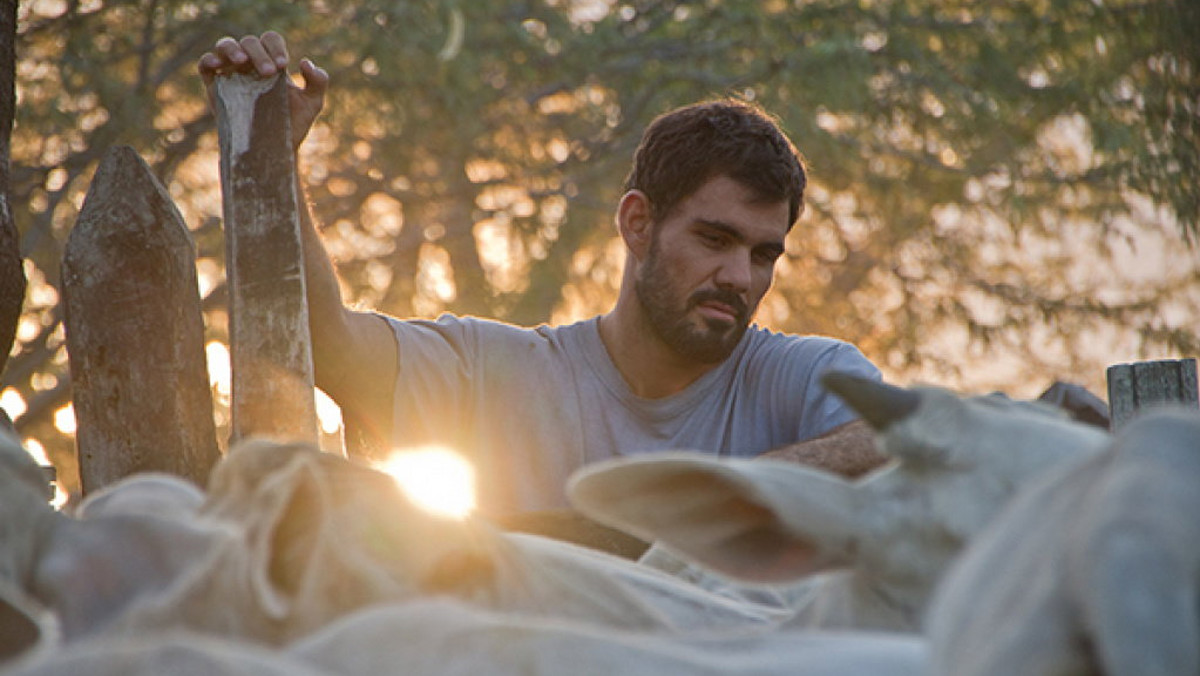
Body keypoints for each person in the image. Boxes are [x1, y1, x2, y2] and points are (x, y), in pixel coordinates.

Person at [198, 32, 887, 516]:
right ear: (637, 224)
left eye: (764, 254)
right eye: (715, 239)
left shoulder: (802, 377)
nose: (740, 275)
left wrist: (712, 507)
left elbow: (899, 440)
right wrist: (276, 161)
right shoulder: (503, 372)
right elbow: (327, 345)